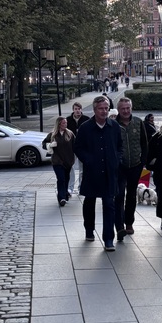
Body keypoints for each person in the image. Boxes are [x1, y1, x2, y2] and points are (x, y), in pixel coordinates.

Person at [74, 95, 123, 252]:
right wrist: (88, 160)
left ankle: (109, 239)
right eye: (101, 108)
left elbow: (120, 146)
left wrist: (117, 159)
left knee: (109, 204)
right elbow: (78, 148)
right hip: (92, 172)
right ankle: (89, 229)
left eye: (106, 108)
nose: (104, 111)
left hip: (110, 172)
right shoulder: (85, 128)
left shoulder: (114, 126)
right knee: (90, 202)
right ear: (95, 110)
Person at [114, 97, 148, 240]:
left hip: (135, 165)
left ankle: (129, 223)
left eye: (128, 108)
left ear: (131, 108)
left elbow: (145, 143)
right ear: (118, 110)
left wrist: (143, 161)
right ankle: (119, 226)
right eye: (123, 108)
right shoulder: (113, 124)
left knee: (132, 196)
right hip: (119, 167)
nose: (126, 111)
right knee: (119, 195)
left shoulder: (138, 122)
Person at [42, 116, 75, 206]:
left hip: (68, 160)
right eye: (64, 123)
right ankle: (61, 198)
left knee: (66, 178)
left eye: (66, 123)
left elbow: (75, 146)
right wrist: (50, 145)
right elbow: (43, 144)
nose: (65, 124)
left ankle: (64, 194)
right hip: (57, 161)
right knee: (61, 179)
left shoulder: (70, 134)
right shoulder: (52, 135)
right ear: (59, 124)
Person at [66, 102, 90, 194]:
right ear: (73, 110)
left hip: (82, 148)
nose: (77, 110)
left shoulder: (86, 119)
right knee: (70, 168)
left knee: (82, 169)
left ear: (81, 109)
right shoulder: (68, 120)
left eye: (79, 109)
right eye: (76, 109)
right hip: (71, 148)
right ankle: (70, 188)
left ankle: (81, 187)